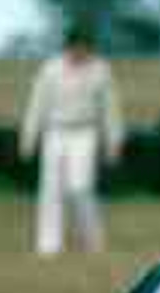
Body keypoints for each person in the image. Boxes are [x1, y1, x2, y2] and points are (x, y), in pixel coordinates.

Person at [19, 22, 124, 257]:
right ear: (68, 47)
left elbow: (110, 108)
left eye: (85, 48)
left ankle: (92, 241)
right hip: (55, 131)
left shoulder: (100, 69)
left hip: (84, 132)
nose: (80, 53)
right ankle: (49, 246)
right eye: (76, 47)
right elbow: (37, 104)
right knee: (51, 188)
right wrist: (29, 137)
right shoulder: (50, 69)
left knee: (80, 187)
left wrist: (114, 141)